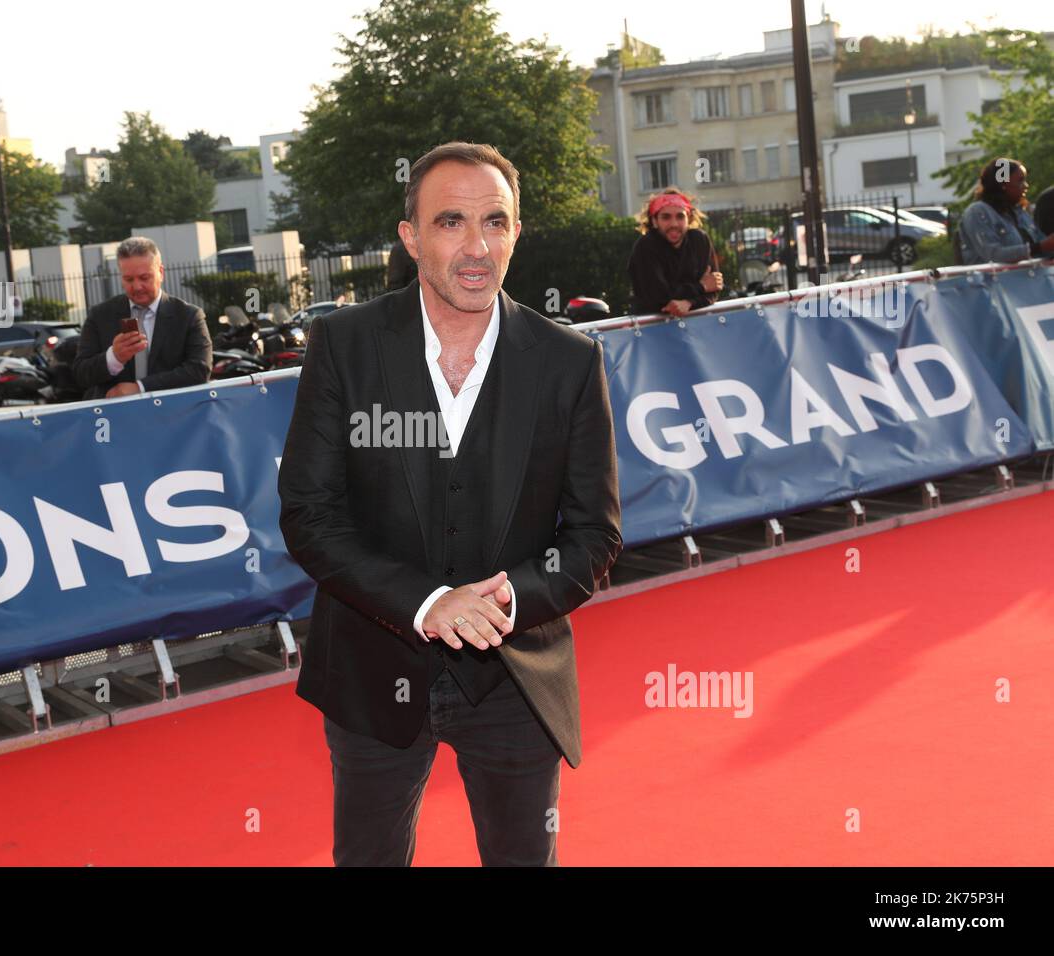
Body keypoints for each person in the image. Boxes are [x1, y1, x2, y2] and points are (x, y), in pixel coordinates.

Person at [278, 142, 622, 867]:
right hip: (373, 668)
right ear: (411, 237)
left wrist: (501, 600)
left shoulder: (568, 361)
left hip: (516, 677)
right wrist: (427, 602)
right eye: (451, 222)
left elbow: (592, 535)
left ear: (517, 232)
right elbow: (310, 515)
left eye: (496, 222)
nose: (477, 247)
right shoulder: (345, 345)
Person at [71, 236, 212, 401]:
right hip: (114, 418)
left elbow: (199, 370)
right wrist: (114, 358)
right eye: (128, 279)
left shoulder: (188, 316)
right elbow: (80, 374)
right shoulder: (100, 315)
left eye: (144, 278)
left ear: (160, 272)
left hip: (172, 416)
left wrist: (141, 388)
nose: (137, 286)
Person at [626, 187, 723, 317]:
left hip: (695, 323)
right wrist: (701, 287)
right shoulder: (645, 246)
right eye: (666, 217)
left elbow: (714, 288)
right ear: (654, 221)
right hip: (650, 328)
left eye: (680, 216)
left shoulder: (700, 240)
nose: (674, 224)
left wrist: (689, 303)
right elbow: (659, 298)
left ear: (688, 218)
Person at [957, 157, 1054, 265]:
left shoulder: (1021, 212)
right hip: (991, 281)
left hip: (1030, 279)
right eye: (1020, 180)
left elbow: (1044, 245)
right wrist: (1040, 247)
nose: (1026, 186)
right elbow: (992, 255)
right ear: (1003, 184)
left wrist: (1048, 247)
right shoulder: (977, 212)